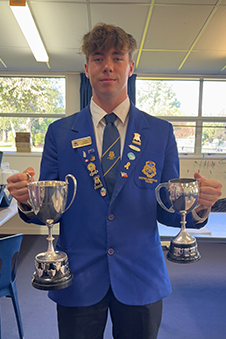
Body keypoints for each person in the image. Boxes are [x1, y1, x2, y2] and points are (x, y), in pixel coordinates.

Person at [7, 23, 222, 339]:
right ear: (86, 68)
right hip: (77, 276)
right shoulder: (60, 134)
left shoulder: (160, 133)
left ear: (131, 67)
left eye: (117, 57)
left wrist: (199, 207)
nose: (107, 65)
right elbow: (49, 211)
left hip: (141, 276)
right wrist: (27, 199)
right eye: (98, 57)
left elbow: (167, 211)